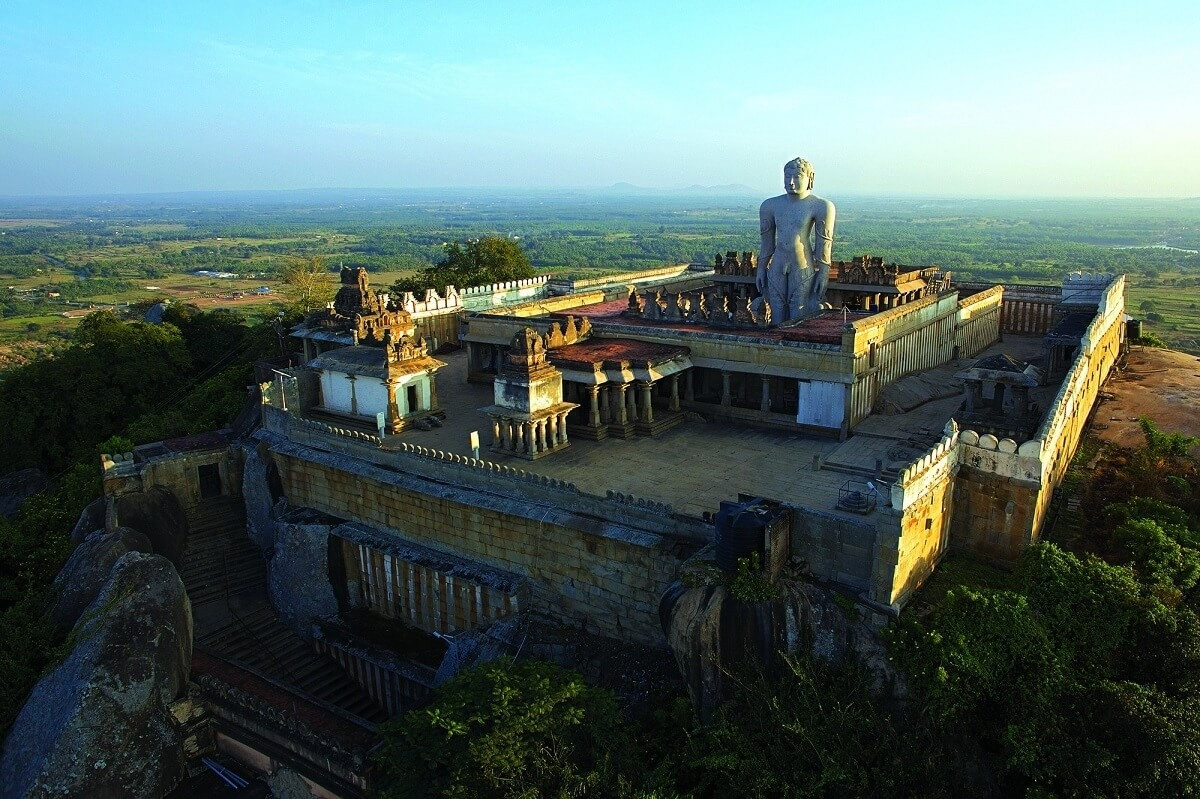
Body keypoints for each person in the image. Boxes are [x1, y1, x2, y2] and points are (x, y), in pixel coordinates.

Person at [756, 158, 836, 323]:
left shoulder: (821, 206)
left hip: (802, 264)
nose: (791, 182)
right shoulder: (769, 205)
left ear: (810, 178)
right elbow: (767, 244)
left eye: (797, 176)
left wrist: (823, 272)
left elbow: (824, 243)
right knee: (776, 313)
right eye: (787, 176)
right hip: (777, 265)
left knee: (798, 311)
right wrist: (761, 268)